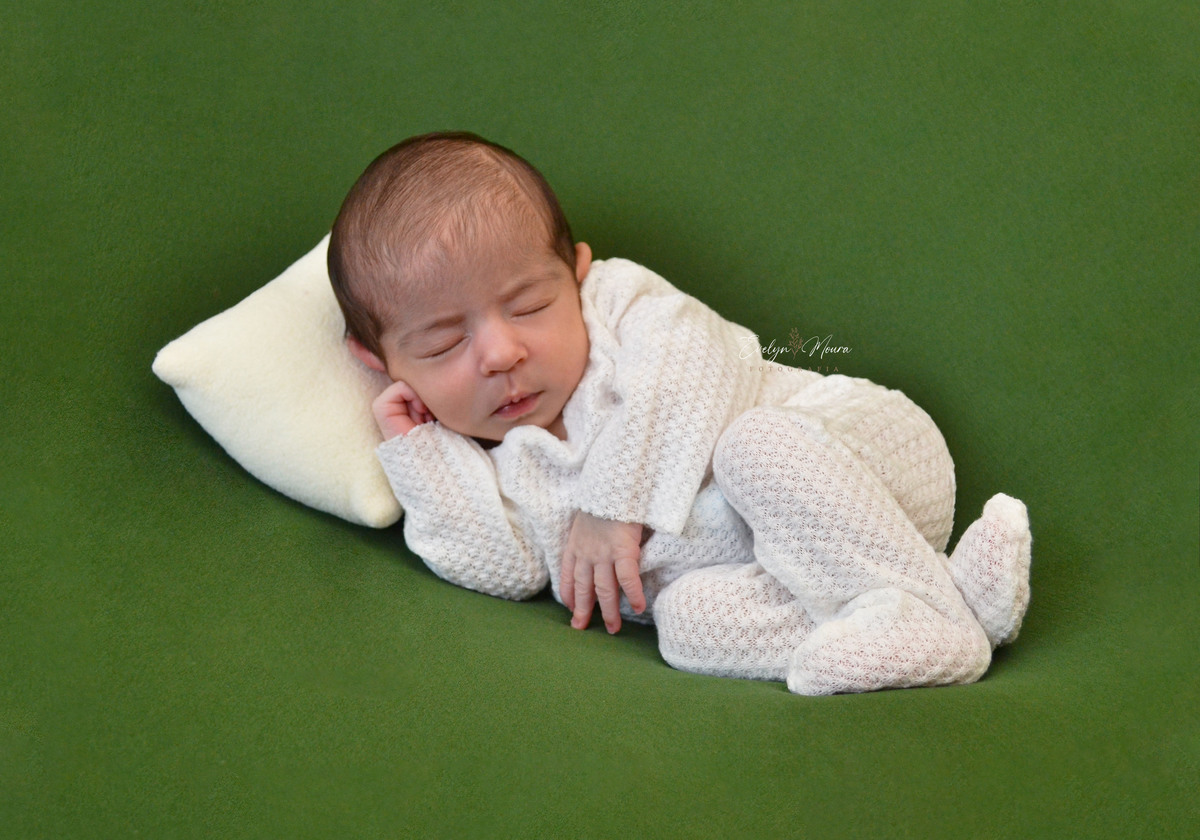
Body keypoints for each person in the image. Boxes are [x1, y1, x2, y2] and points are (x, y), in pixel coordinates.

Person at [327, 131, 1032, 695]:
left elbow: (701, 362)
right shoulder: (489, 463)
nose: (501, 352)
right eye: (445, 344)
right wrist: (422, 454)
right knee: (684, 627)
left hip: (853, 454)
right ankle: (949, 605)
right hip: (799, 568)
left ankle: (930, 621)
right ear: (380, 360)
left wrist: (613, 505)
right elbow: (503, 566)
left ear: (575, 272)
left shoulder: (619, 307)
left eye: (530, 306)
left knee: (754, 447)